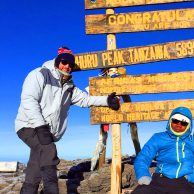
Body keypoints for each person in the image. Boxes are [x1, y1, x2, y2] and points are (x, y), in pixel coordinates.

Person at [15, 46, 120, 194]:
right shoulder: (40, 74)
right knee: (49, 151)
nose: (67, 66)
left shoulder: (69, 87)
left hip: (47, 131)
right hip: (28, 126)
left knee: (35, 165)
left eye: (71, 64)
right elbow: (29, 100)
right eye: (64, 62)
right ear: (57, 61)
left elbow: (85, 99)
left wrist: (107, 100)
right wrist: (40, 127)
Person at [132, 106, 194, 194]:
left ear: (189, 125)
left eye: (183, 122)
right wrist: (143, 175)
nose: (178, 124)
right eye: (175, 120)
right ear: (170, 121)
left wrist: (190, 177)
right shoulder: (158, 137)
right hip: (159, 179)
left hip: (183, 182)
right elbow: (143, 158)